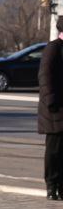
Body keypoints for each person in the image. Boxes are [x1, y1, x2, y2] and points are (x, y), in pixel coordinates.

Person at [41, 15, 63, 199]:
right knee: (54, 150)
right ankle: (51, 186)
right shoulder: (53, 48)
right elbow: (45, 77)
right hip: (55, 109)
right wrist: (52, 102)